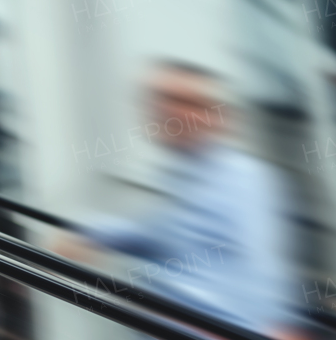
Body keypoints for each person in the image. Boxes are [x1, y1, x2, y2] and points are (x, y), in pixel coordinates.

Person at [57, 61, 305, 340]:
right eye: (159, 99)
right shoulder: (185, 174)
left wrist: (271, 324)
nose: (167, 111)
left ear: (216, 116)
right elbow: (157, 234)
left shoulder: (243, 178)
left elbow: (261, 266)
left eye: (185, 102)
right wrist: (92, 235)